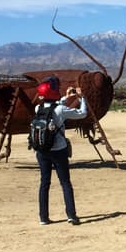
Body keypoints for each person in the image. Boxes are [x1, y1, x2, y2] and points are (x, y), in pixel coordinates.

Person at [33, 76, 88, 226]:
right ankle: (71, 215)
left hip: (42, 151)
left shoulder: (38, 108)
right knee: (65, 183)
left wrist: (66, 97)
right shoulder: (61, 110)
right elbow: (82, 113)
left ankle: (43, 217)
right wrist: (82, 98)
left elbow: (53, 107)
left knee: (44, 183)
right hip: (59, 151)